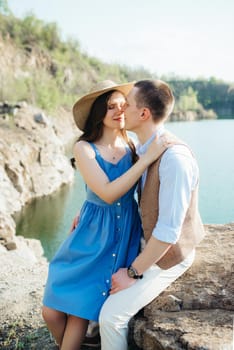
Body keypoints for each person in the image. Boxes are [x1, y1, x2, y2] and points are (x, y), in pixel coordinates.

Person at [42, 80, 167, 350]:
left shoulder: (133, 148)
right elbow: (107, 193)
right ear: (99, 112)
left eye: (123, 106)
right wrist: (86, 205)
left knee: (77, 315)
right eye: (111, 107)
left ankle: (75, 344)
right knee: (50, 313)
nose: (119, 111)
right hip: (90, 233)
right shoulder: (84, 148)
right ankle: (78, 342)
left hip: (120, 234)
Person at [98, 79, 205, 350]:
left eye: (127, 105)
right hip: (147, 241)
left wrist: (132, 273)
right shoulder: (142, 150)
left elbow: (169, 233)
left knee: (110, 317)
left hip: (169, 255)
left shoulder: (174, 160)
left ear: (143, 114)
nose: (121, 110)